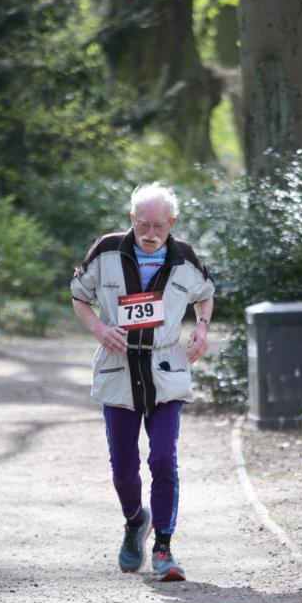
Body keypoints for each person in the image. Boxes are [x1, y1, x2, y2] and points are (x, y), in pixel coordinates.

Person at [70, 183, 214, 581]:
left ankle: (164, 547)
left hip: (165, 369)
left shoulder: (185, 257)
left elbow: (205, 294)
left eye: (159, 226)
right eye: (143, 225)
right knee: (123, 467)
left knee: (163, 458)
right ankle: (135, 521)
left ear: (172, 224)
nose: (150, 234)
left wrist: (202, 328)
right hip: (118, 369)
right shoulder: (107, 250)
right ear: (131, 219)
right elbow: (79, 296)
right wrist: (100, 329)